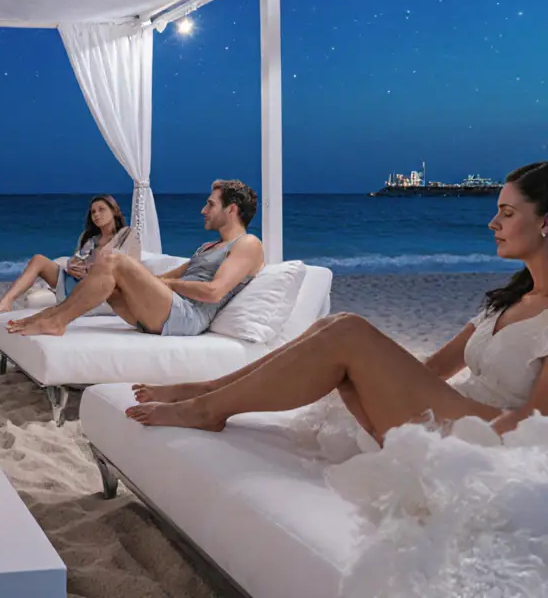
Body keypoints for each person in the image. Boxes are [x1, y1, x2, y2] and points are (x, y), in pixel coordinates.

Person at [126, 161, 548, 444]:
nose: (493, 222)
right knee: (340, 327)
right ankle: (208, 390)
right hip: (447, 408)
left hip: (486, 432)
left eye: (508, 213)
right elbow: (435, 370)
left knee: (347, 331)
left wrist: (470, 453)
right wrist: (378, 377)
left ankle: (207, 407)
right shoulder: (507, 301)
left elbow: (536, 424)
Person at [7, 179, 264, 337]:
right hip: (164, 310)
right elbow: (166, 278)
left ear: (231, 210)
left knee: (115, 260)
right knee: (109, 276)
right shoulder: (209, 246)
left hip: (186, 318)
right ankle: (53, 315)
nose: (203, 210)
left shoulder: (248, 244)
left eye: (210, 204)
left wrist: (161, 284)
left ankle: (55, 322)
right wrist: (143, 282)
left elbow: (213, 292)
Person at [0, 194, 140, 317]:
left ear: (114, 211)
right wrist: (71, 267)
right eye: (93, 212)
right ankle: (6, 302)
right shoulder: (88, 238)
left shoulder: (127, 235)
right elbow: (75, 260)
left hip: (100, 291)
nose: (96, 214)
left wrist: (94, 270)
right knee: (38, 259)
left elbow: (133, 270)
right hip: (75, 284)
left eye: (101, 209)